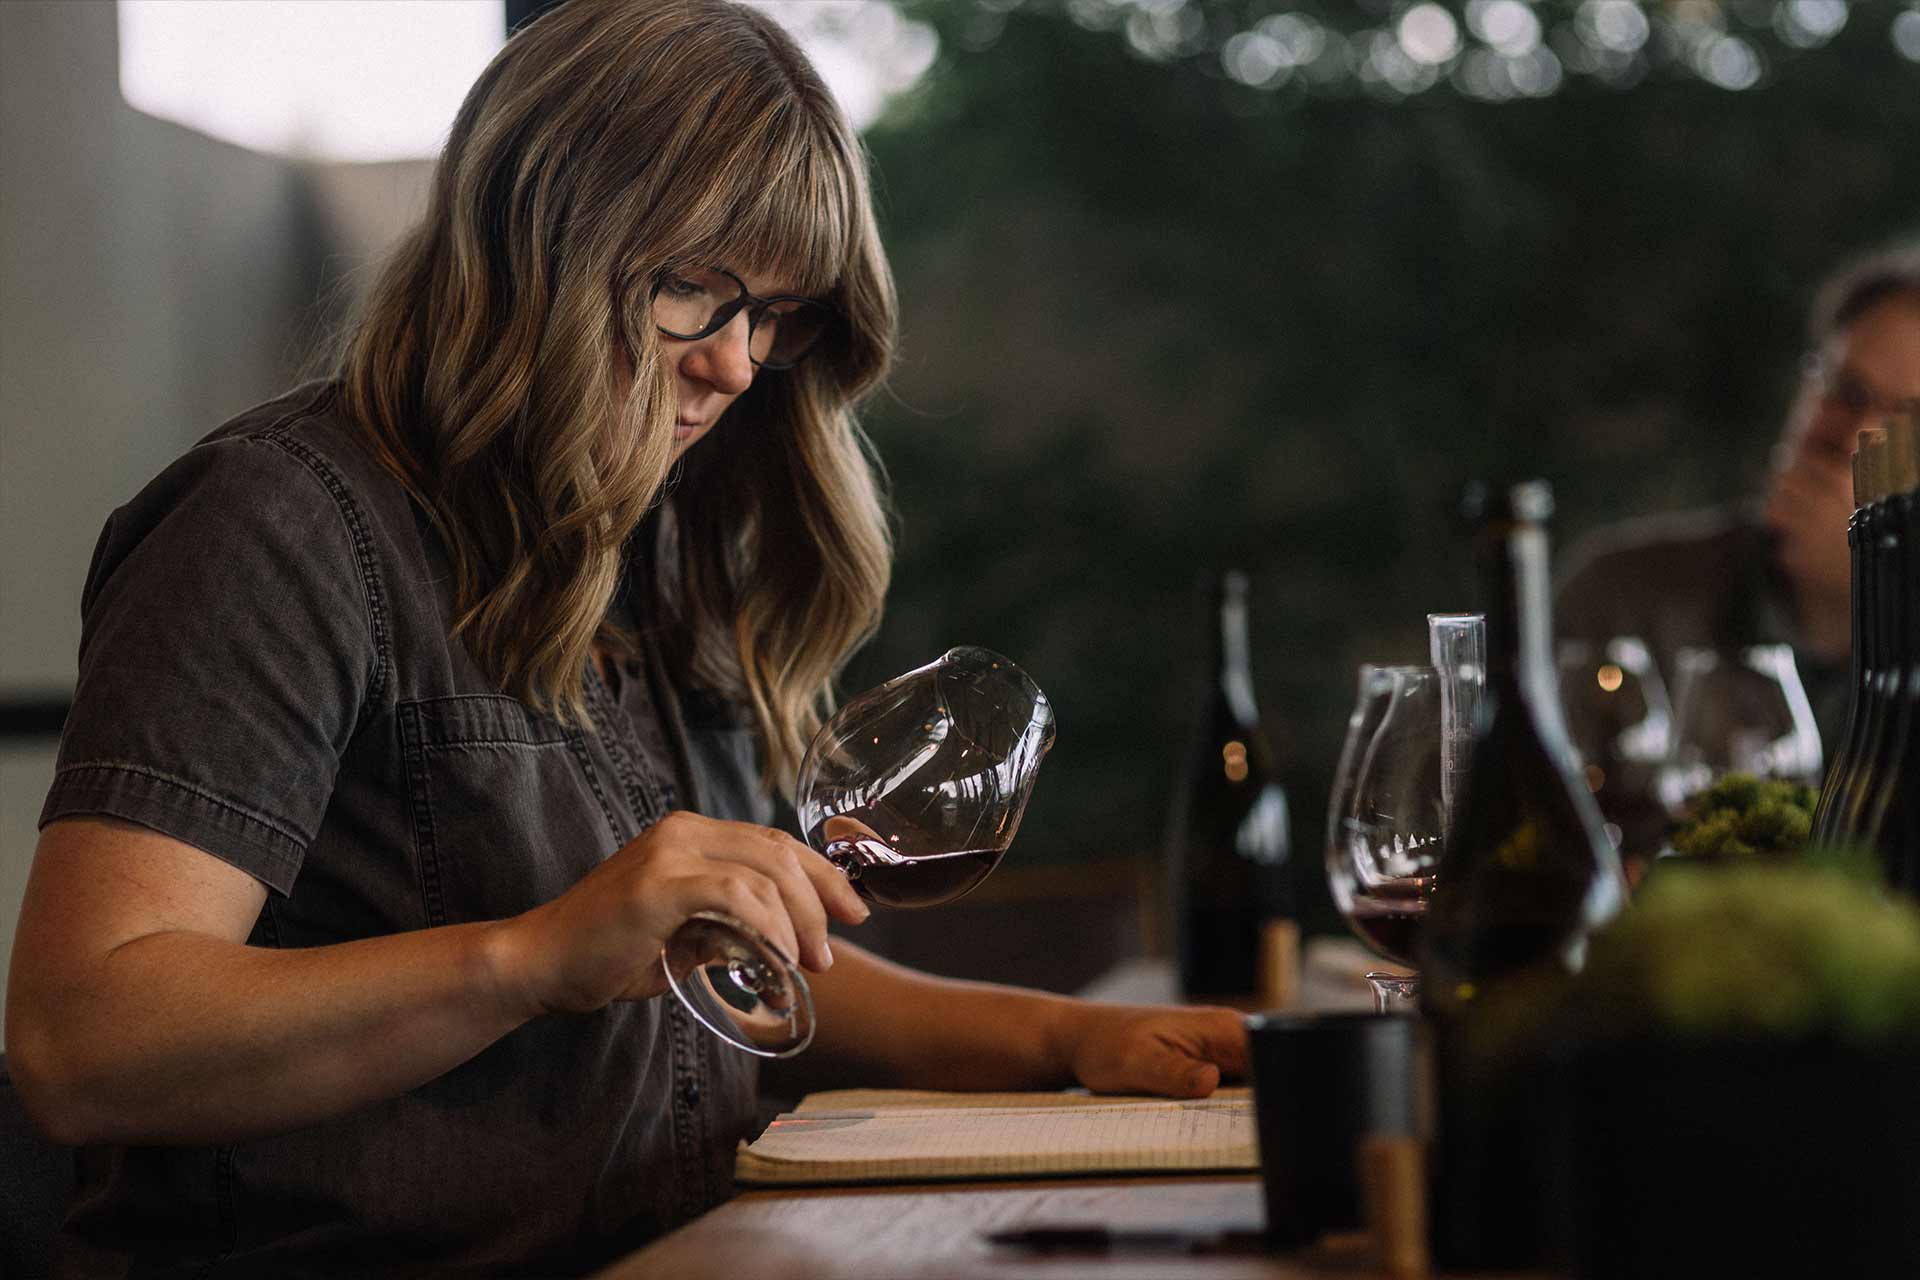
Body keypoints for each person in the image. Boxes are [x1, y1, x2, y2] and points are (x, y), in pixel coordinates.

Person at [3, 3, 1247, 1275]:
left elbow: (732, 957)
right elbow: (83, 1040)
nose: (737, 365)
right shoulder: (279, 526)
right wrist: (533, 957)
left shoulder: (655, 541)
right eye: (694, 287)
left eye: (774, 314)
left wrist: (1069, 1042)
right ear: (528, 234)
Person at [1556, 245, 1920, 809]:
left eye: (1909, 425)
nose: (1854, 439)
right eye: (1846, 392)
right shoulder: (1620, 598)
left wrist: (1877, 582)